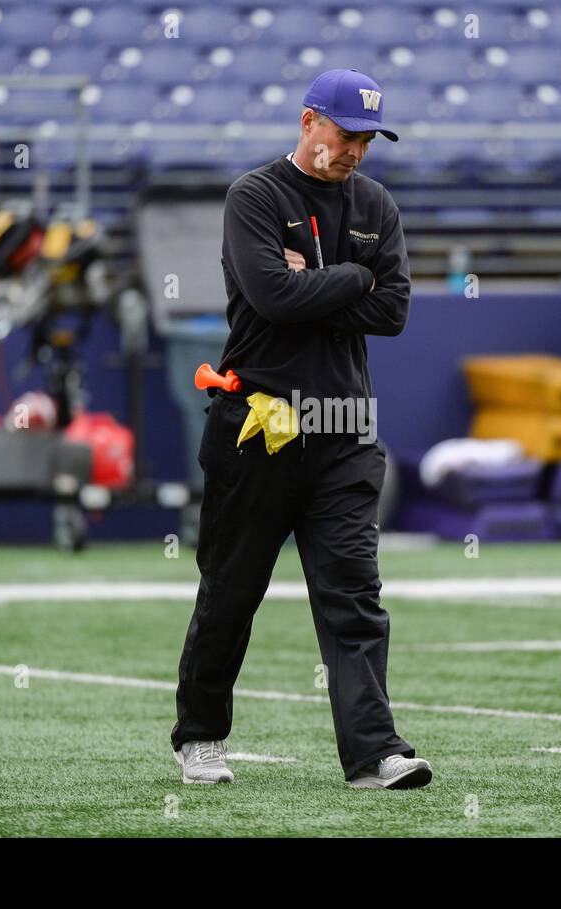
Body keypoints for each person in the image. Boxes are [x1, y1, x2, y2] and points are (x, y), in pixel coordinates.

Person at [170, 69, 432, 789]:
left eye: (367, 140)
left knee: (354, 596)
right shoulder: (254, 196)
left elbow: (396, 311)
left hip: (344, 429)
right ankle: (200, 737)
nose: (354, 151)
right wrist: (355, 277)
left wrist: (325, 281)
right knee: (230, 591)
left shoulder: (378, 203)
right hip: (261, 423)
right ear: (309, 120)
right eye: (346, 135)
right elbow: (274, 296)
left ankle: (374, 753)